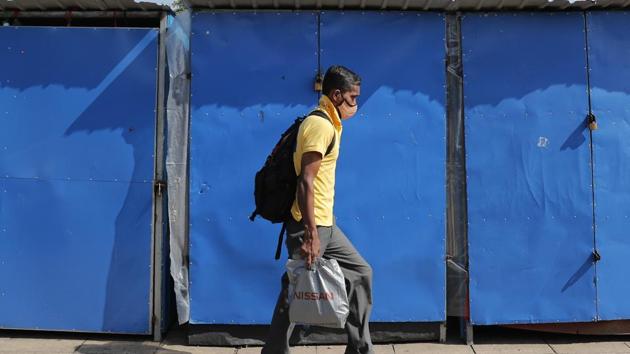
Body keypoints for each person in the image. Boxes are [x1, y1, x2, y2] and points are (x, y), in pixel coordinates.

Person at [262, 65, 374, 354]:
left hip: (325, 223)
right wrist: (311, 233)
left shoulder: (331, 123)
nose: (355, 104)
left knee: (360, 273)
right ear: (336, 96)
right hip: (309, 226)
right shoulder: (320, 125)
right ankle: (274, 351)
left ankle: (361, 348)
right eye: (352, 98)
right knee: (293, 292)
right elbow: (305, 182)